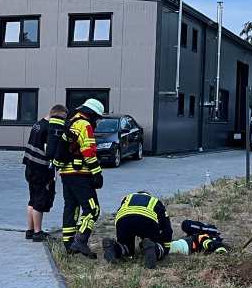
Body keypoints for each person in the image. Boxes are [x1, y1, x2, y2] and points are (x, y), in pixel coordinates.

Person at [57, 98, 105, 257]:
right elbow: (89, 152)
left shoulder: (71, 122)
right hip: (80, 174)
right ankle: (81, 241)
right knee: (92, 209)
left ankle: (69, 244)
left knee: (71, 208)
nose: (97, 121)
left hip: (65, 173)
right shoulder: (85, 125)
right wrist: (97, 173)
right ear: (91, 114)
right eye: (97, 117)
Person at [22, 104, 68, 241]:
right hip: (41, 169)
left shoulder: (38, 124)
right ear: (58, 115)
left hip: (30, 167)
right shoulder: (51, 129)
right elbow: (50, 151)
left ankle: (29, 230)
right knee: (40, 201)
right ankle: (37, 232)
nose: (63, 122)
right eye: (63, 118)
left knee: (32, 199)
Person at [102, 191, 174, 269]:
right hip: (147, 219)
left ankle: (113, 246)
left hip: (123, 219)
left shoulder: (127, 198)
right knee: (155, 244)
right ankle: (152, 246)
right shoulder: (156, 201)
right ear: (148, 195)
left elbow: (120, 213)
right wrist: (166, 248)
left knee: (126, 248)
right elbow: (167, 229)